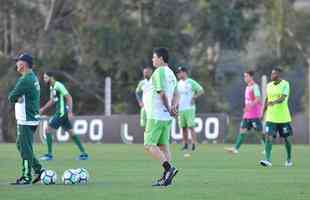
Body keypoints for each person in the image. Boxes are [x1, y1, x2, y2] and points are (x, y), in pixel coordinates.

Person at [144, 47, 179, 187]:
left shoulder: (159, 72)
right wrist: (174, 107)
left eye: (154, 57)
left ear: (161, 58)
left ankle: (169, 169)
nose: (152, 60)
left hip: (156, 115)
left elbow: (162, 94)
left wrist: (169, 108)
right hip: (166, 118)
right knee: (163, 146)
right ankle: (167, 178)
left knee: (149, 145)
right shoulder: (171, 73)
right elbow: (177, 93)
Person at [8, 53, 45, 185]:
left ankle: (27, 176)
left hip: (26, 119)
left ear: (23, 64)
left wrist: (15, 97)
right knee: (22, 146)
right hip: (30, 118)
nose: (16, 64)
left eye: (18, 61)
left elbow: (11, 97)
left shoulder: (25, 80)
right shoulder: (32, 77)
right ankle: (39, 170)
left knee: (24, 148)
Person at [39, 71, 89, 161]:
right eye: (44, 78)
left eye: (46, 77)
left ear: (51, 77)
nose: (44, 79)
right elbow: (52, 101)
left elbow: (69, 97)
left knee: (48, 129)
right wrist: (43, 109)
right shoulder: (52, 87)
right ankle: (84, 154)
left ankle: (49, 155)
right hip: (62, 112)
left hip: (62, 112)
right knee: (71, 132)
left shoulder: (59, 85)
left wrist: (70, 112)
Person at [260, 68, 293, 167]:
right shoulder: (269, 85)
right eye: (271, 73)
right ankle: (268, 160)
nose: (271, 75)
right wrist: (263, 112)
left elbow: (283, 98)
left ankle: (289, 159)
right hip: (271, 117)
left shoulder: (285, 84)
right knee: (268, 136)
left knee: (286, 139)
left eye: (273, 73)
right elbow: (267, 99)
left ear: (279, 75)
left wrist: (273, 102)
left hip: (283, 117)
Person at [225, 70, 264, 154]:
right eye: (244, 76)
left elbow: (258, 99)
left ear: (251, 77)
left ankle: (267, 147)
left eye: (246, 76)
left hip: (255, 114)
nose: (245, 78)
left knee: (259, 132)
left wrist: (250, 106)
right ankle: (236, 149)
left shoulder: (255, 86)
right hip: (247, 114)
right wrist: (246, 108)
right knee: (242, 130)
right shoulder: (247, 87)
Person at [176, 66, 204, 151]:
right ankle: (185, 144)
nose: (178, 74)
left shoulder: (190, 82)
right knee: (183, 127)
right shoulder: (178, 83)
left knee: (191, 126)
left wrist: (194, 97)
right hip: (181, 108)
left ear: (184, 73)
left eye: (180, 72)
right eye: (178, 73)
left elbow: (201, 90)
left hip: (189, 108)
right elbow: (176, 95)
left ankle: (194, 144)